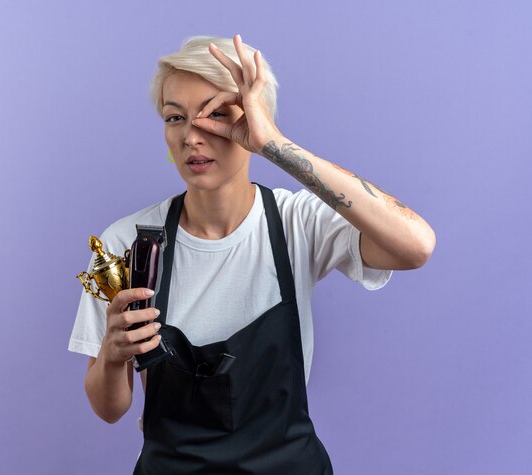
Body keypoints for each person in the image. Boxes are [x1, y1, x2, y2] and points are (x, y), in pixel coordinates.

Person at [69, 34, 436, 474]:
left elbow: (416, 245)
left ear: (253, 119)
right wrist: (112, 354)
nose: (191, 136)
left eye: (216, 114)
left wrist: (273, 144)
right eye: (175, 117)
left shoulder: (297, 222)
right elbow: (108, 409)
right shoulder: (127, 242)